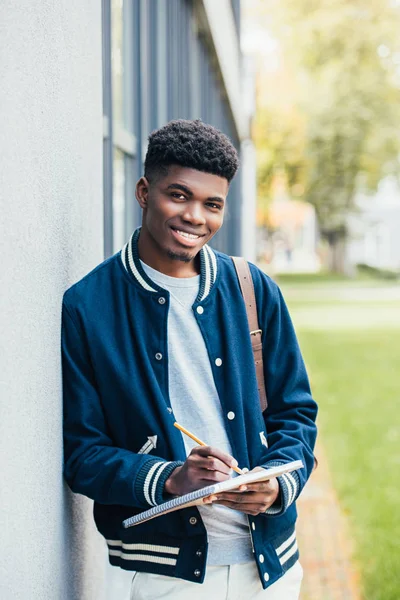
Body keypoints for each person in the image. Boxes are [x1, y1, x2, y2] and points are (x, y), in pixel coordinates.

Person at [62, 119, 317, 599]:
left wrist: (278, 487)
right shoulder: (88, 306)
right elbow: (82, 454)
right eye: (178, 195)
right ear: (144, 191)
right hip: (159, 576)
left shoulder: (253, 288)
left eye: (212, 204)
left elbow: (296, 412)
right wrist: (171, 478)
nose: (196, 216)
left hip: (270, 570)